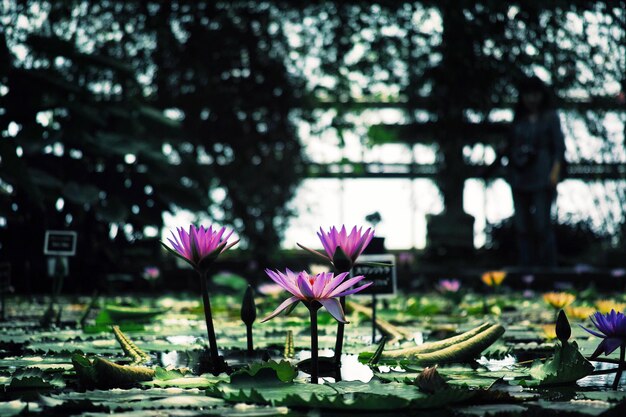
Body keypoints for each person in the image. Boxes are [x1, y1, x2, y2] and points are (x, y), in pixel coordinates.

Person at [506, 76, 565, 268]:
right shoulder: (519, 120)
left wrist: (555, 172)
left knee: (542, 224)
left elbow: (559, 148)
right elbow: (511, 147)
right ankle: (525, 267)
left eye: (535, 95)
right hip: (520, 176)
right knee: (522, 226)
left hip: (543, 177)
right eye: (527, 95)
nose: (531, 99)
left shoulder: (550, 118)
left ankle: (548, 268)